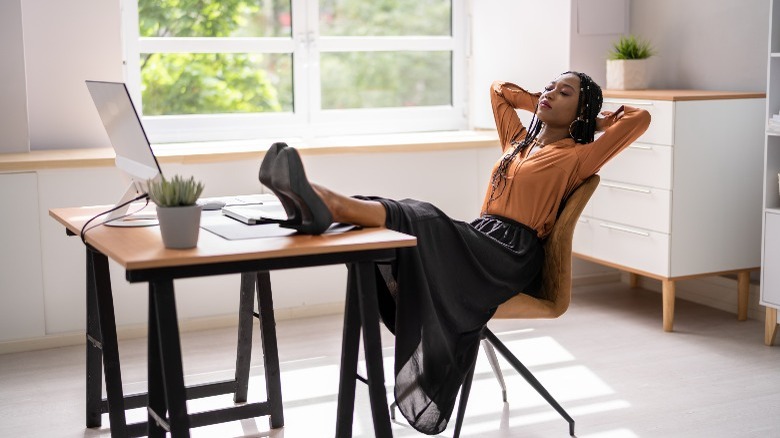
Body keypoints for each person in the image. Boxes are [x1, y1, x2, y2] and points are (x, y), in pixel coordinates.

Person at [259, 71, 651, 435]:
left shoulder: (578, 157)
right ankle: (318, 206)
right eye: (548, 86)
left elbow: (640, 118)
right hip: (480, 238)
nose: (549, 93)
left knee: (423, 216)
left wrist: (595, 122)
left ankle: (323, 203)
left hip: (509, 257)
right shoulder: (517, 142)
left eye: (564, 93)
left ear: (580, 111)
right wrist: (543, 102)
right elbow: (499, 91)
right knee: (409, 221)